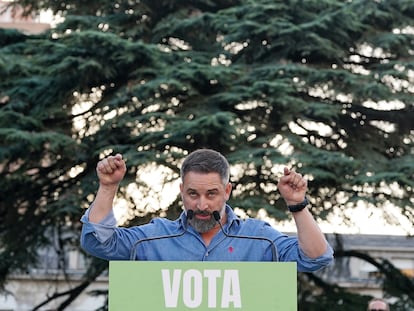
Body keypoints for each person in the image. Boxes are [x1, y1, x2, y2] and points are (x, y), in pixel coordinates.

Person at [80, 148, 333, 272]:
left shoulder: (259, 238)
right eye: (193, 194)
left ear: (227, 192)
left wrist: (297, 205)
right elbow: (97, 242)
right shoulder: (154, 237)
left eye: (211, 194)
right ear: (182, 191)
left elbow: (315, 257)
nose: (201, 205)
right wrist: (107, 187)